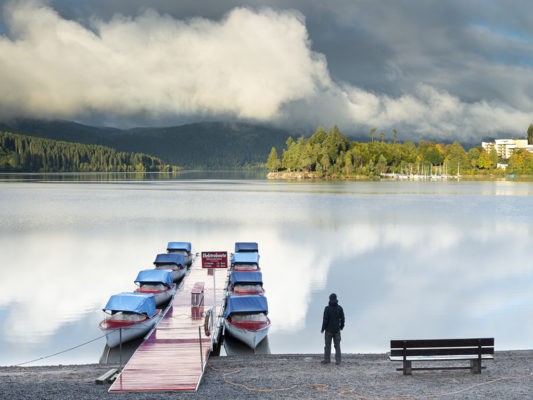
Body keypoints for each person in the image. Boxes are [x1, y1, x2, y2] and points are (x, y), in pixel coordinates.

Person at [321, 293, 345, 365]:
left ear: (330, 299)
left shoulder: (327, 308)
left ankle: (327, 360)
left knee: (327, 346)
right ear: (336, 299)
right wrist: (341, 326)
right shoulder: (340, 308)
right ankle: (338, 361)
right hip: (337, 330)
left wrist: (323, 328)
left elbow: (325, 320)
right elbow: (342, 319)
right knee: (337, 346)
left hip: (328, 330)